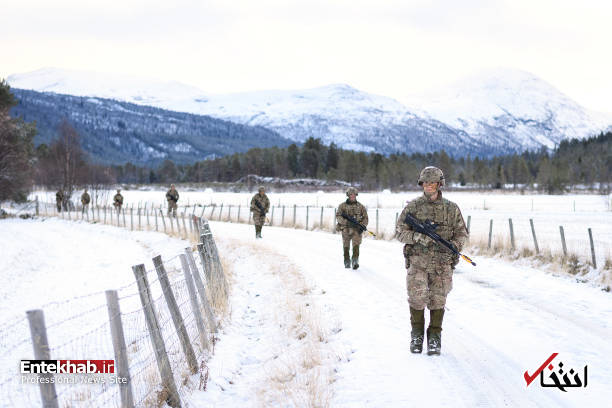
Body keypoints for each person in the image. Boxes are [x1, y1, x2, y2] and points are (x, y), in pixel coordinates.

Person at [395, 166, 468, 355]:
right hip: (418, 260)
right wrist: (419, 238)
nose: (428, 186)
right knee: (417, 298)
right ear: (422, 184)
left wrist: (454, 246)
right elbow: (400, 232)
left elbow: (462, 234)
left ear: (439, 184)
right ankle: (417, 336)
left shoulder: (451, 209)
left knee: (438, 300)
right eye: (425, 183)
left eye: (432, 183)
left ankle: (434, 338)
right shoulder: (413, 207)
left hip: (442, 262)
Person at [335, 186, 368, 269]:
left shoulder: (361, 207)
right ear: (348, 195)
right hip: (345, 229)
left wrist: (363, 225)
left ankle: (355, 261)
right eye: (351, 195)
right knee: (346, 245)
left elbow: (365, 218)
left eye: (354, 195)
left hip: (356, 229)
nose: (352, 196)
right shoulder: (342, 206)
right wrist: (346, 222)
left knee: (356, 245)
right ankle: (346, 261)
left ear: (356, 195)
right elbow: (338, 216)